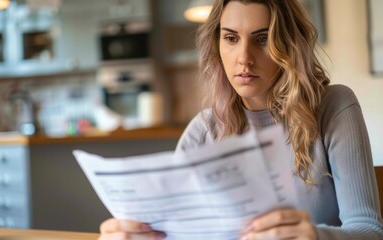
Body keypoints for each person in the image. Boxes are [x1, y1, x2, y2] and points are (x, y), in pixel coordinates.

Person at [99, 0, 383, 239]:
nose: (244, 58)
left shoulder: (334, 107)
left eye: (262, 38)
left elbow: (369, 230)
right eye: (231, 38)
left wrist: (316, 237)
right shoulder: (202, 131)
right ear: (217, 45)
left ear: (289, 45)